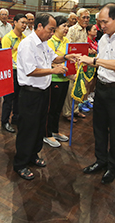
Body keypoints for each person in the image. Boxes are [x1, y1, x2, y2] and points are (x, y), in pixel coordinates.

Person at [77, 3, 115, 184]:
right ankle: (100, 161)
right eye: (99, 22)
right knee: (99, 128)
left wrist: (93, 60)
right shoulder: (103, 39)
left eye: (104, 22)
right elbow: (101, 66)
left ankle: (113, 166)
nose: (101, 26)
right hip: (102, 89)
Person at [13, 14, 77, 180]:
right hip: (30, 93)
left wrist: (65, 57)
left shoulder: (43, 44)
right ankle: (20, 163)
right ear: (39, 26)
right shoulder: (27, 44)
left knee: (40, 126)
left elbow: (53, 57)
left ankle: (33, 155)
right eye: (50, 30)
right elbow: (30, 70)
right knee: (27, 128)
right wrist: (53, 70)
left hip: (43, 91)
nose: (51, 33)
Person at [43, 16, 70, 148]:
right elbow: (50, 60)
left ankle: (55, 131)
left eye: (67, 26)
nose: (66, 28)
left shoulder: (67, 41)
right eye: (64, 25)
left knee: (58, 108)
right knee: (51, 108)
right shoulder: (50, 41)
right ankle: (47, 134)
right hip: (53, 79)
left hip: (65, 78)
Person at [63, 8, 93, 121]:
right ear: (78, 18)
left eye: (88, 18)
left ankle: (75, 110)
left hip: (81, 63)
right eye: (84, 17)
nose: (86, 20)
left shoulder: (85, 30)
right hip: (72, 63)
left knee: (79, 86)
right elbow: (69, 47)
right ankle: (67, 113)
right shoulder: (72, 30)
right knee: (71, 88)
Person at [0, 13, 27, 133]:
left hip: (22, 71)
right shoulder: (8, 38)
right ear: (15, 22)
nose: (25, 25)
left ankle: (16, 118)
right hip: (11, 71)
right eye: (22, 22)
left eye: (26, 23)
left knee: (19, 97)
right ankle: (4, 121)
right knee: (8, 98)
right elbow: (5, 58)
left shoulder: (25, 38)